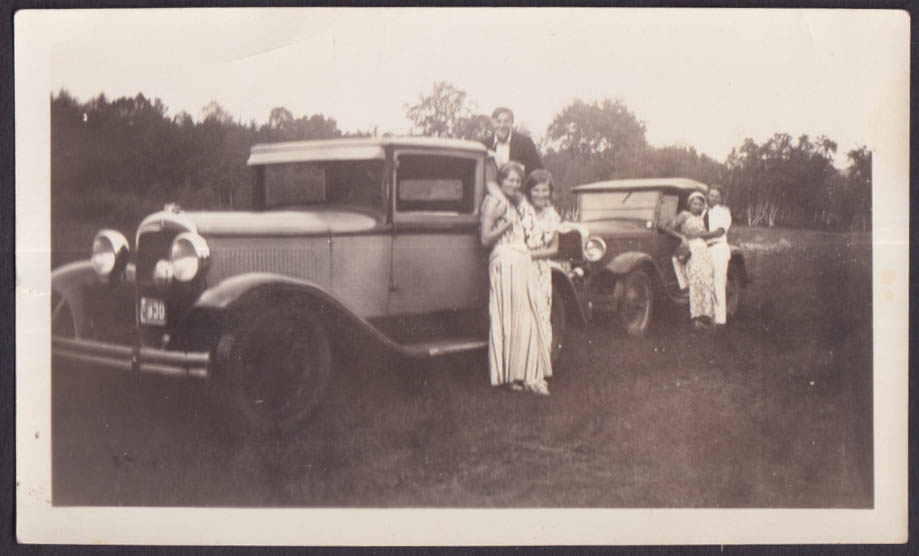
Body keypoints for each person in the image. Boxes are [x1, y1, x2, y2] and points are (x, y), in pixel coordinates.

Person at [480, 161, 551, 395]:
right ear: (502, 181)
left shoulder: (511, 200)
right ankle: (508, 376)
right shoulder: (494, 202)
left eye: (517, 181)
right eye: (509, 180)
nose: (514, 184)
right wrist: (506, 224)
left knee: (524, 320)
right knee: (507, 320)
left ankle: (523, 373)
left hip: (521, 263)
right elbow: (485, 239)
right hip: (504, 261)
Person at [519, 169, 561, 363]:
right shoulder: (521, 209)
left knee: (541, 315)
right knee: (520, 317)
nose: (540, 195)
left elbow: (554, 249)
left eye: (544, 190)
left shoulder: (553, 216)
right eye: (536, 190)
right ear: (529, 191)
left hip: (540, 270)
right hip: (518, 268)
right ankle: (520, 367)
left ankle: (540, 366)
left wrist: (530, 255)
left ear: (550, 192)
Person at [665, 191, 722, 331]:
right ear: (689, 204)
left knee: (707, 281)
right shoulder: (684, 215)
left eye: (700, 204)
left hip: (703, 250)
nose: (697, 207)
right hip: (691, 250)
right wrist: (682, 237)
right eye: (694, 203)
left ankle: (707, 316)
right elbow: (667, 227)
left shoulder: (701, 218)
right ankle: (696, 317)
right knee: (696, 281)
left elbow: (702, 234)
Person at [480, 106, 544, 178]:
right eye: (498, 121)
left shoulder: (525, 143)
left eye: (506, 121)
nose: (502, 125)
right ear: (493, 123)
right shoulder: (484, 145)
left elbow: (538, 172)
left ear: (512, 123)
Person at [705, 187, 732, 328]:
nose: (713, 198)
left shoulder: (724, 212)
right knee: (707, 283)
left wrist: (701, 235)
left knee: (718, 283)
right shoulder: (705, 212)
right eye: (711, 195)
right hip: (706, 249)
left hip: (719, 248)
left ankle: (720, 319)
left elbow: (720, 231)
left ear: (720, 198)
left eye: (716, 196)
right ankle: (709, 316)